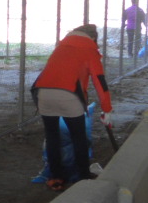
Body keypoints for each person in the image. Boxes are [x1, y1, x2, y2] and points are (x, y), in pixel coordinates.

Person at [31, 24, 113, 192]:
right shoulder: (90, 51)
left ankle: (56, 178)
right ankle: (83, 176)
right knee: (79, 138)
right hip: (69, 96)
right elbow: (100, 82)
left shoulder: (60, 48)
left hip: (43, 94)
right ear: (93, 38)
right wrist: (107, 109)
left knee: (52, 137)